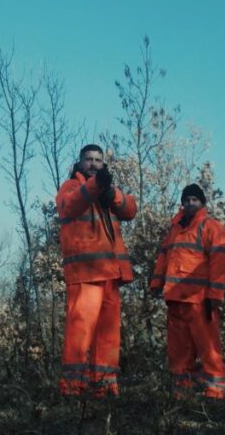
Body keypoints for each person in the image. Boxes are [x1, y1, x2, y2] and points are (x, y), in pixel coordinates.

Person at [56, 144, 136, 397]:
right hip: (86, 273)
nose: (93, 164)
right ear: (80, 163)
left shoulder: (106, 193)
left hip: (110, 272)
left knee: (108, 335)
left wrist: (110, 192)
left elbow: (130, 210)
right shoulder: (70, 187)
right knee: (80, 331)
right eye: (89, 159)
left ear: (104, 164)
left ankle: (104, 386)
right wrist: (96, 186)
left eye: (98, 160)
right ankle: (73, 387)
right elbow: (70, 205)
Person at [150, 184, 225, 399]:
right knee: (179, 349)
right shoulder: (175, 229)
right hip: (175, 299)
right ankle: (182, 391)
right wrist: (156, 283)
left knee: (208, 347)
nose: (190, 203)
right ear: (182, 203)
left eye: (195, 199)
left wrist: (214, 295)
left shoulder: (211, 227)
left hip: (199, 300)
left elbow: (218, 263)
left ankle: (215, 391)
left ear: (202, 202)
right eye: (187, 200)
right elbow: (163, 257)